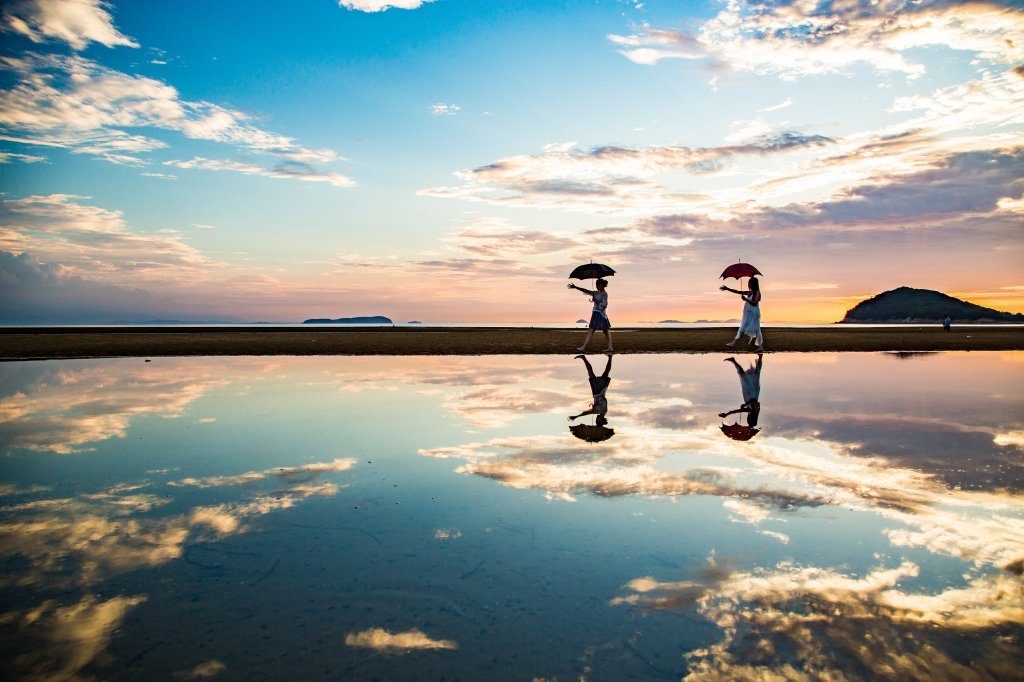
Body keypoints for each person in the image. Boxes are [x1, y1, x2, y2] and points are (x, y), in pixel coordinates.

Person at [568, 353, 614, 442]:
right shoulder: (604, 411)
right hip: (601, 391)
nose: (596, 419)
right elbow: (604, 400)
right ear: (601, 420)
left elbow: (586, 413)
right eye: (598, 420)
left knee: (591, 374)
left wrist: (576, 417)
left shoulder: (596, 411)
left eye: (596, 420)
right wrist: (596, 403)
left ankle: (584, 358)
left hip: (595, 392)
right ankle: (610, 357)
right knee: (605, 373)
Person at [719, 354, 762, 440]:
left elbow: (738, 411)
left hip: (748, 393)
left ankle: (734, 361)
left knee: (749, 375)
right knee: (753, 375)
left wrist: (727, 414)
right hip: (752, 392)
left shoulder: (750, 411)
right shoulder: (754, 414)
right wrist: (746, 404)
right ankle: (759, 357)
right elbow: (753, 401)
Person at [567, 278, 613, 352]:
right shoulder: (596, 293)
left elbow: (604, 305)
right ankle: (584, 347)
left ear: (601, 285)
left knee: (606, 331)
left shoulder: (604, 294)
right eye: (596, 285)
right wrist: (575, 287)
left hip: (601, 314)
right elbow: (585, 290)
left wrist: (596, 301)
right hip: (595, 313)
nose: (596, 286)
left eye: (597, 285)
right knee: (591, 330)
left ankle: (610, 348)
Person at [720, 277, 763, 350]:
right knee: (743, 328)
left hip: (754, 314)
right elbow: (737, 291)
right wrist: (728, 289)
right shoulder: (749, 292)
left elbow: (755, 303)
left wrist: (745, 299)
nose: (749, 284)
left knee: (756, 329)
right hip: (747, 313)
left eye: (750, 283)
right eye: (749, 282)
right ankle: (734, 343)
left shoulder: (757, 293)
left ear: (754, 284)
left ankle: (760, 346)